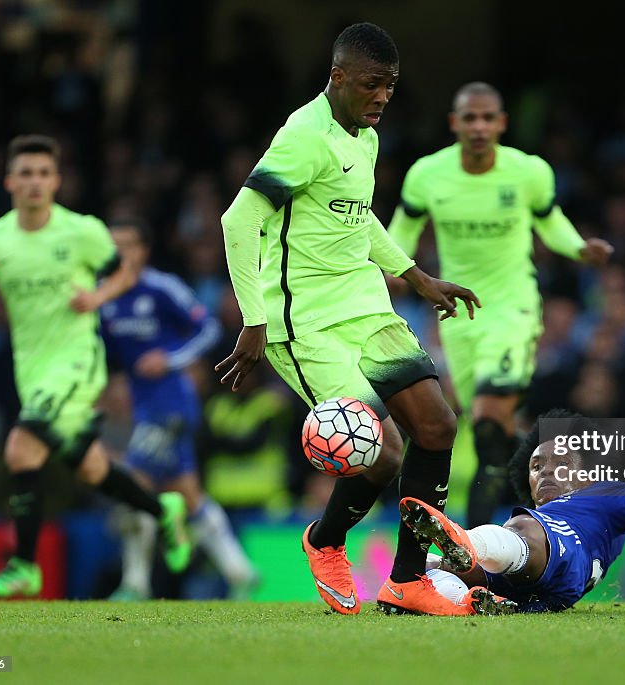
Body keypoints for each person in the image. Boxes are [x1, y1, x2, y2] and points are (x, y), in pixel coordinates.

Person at [216, 23, 481, 616]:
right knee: (380, 454)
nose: (382, 97)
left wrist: (417, 277)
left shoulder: (364, 133)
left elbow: (357, 218)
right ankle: (326, 539)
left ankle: (408, 582)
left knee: (437, 427)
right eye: (370, 84)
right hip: (302, 317)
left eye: (389, 86)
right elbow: (239, 221)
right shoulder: (303, 138)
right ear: (337, 78)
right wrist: (254, 321)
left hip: (363, 303)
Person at [0, 135, 192, 598]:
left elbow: (124, 271)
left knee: (22, 448)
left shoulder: (82, 231)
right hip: (32, 368)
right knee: (91, 468)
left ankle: (24, 564)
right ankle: (162, 511)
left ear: (56, 181)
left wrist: (96, 298)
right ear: (10, 182)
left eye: (44, 173)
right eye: (26, 173)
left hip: (77, 361)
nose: (35, 182)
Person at [388, 82, 614, 528]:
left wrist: (578, 248)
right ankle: (539, 517)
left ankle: (475, 541)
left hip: (513, 308)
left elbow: (550, 222)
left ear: (502, 124)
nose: (478, 126)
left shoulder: (527, 172)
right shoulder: (427, 175)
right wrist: (388, 269)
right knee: (490, 432)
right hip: (457, 315)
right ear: (454, 124)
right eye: (469, 118)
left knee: (490, 418)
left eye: (487, 118)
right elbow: (402, 231)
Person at [400, 408, 625, 612]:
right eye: (537, 467)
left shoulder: (603, 497)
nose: (547, 471)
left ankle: (464, 545)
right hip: (541, 591)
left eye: (562, 462)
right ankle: (470, 600)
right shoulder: (536, 512)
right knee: (430, 571)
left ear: (587, 474)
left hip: (559, 553)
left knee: (520, 530)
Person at [100, 219, 258, 600]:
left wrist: (169, 360)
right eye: (114, 245)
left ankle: (134, 584)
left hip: (172, 403)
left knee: (134, 486)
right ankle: (241, 573)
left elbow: (207, 330)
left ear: (143, 250)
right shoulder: (103, 298)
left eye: (129, 245)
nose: (121, 253)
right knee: (187, 493)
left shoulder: (161, 288)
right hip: (142, 407)